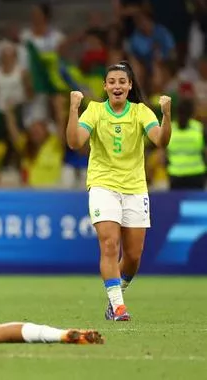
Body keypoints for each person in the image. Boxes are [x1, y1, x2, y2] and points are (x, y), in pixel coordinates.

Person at [66, 61, 171, 321]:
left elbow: (161, 141)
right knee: (110, 244)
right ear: (105, 86)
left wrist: (166, 115)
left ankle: (115, 299)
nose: (117, 86)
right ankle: (119, 307)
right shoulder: (94, 111)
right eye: (112, 81)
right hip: (103, 185)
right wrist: (73, 108)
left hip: (135, 188)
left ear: (130, 86)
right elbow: (74, 142)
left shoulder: (141, 112)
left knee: (133, 257)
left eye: (122, 82)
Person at [166, 98, 206, 190]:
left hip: (189, 175)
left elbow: (164, 154)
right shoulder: (199, 128)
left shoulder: (170, 128)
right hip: (186, 175)